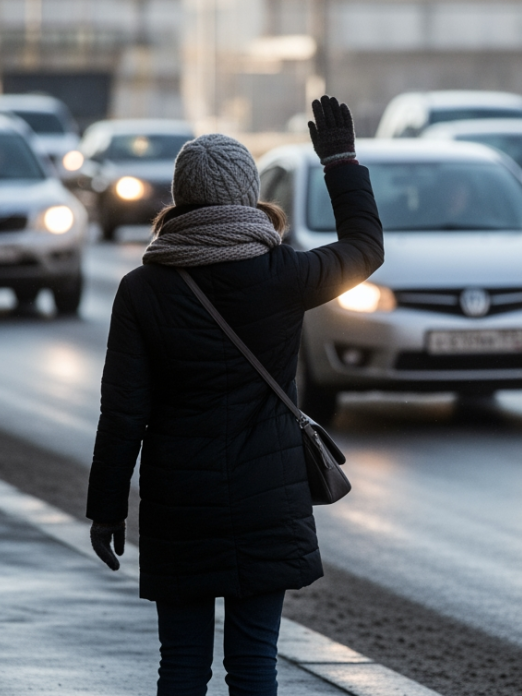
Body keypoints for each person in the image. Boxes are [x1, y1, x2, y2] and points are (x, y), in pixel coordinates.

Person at [85, 96, 382, 695]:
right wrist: (341, 162)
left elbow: (123, 413)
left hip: (179, 500)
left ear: (181, 197)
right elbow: (365, 249)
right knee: (253, 665)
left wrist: (107, 507)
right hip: (266, 498)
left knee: (183, 665)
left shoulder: (142, 290)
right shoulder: (284, 275)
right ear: (248, 195)